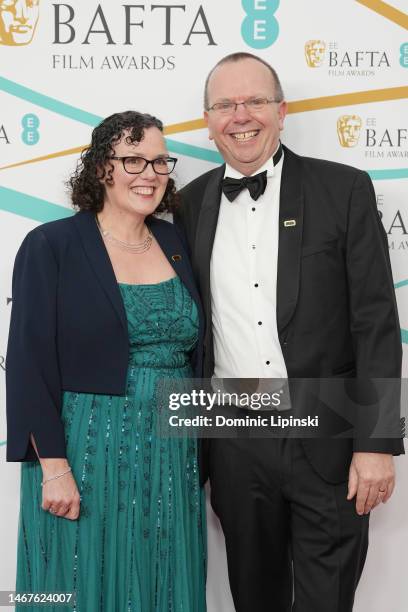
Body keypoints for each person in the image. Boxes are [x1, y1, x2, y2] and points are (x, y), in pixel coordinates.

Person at [176, 52, 403, 612]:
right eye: (225, 104)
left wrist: (376, 443)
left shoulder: (342, 188)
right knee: (254, 597)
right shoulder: (187, 204)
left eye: (255, 100)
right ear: (207, 120)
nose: (240, 115)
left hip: (328, 436)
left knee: (328, 601)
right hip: (232, 438)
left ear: (282, 111)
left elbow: (375, 320)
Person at [6, 111, 206, 611]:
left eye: (160, 161)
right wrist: (53, 467)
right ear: (101, 169)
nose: (149, 173)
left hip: (172, 456)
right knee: (81, 582)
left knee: (166, 578)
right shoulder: (52, 244)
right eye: (132, 159)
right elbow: (28, 362)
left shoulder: (174, 242)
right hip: (88, 448)